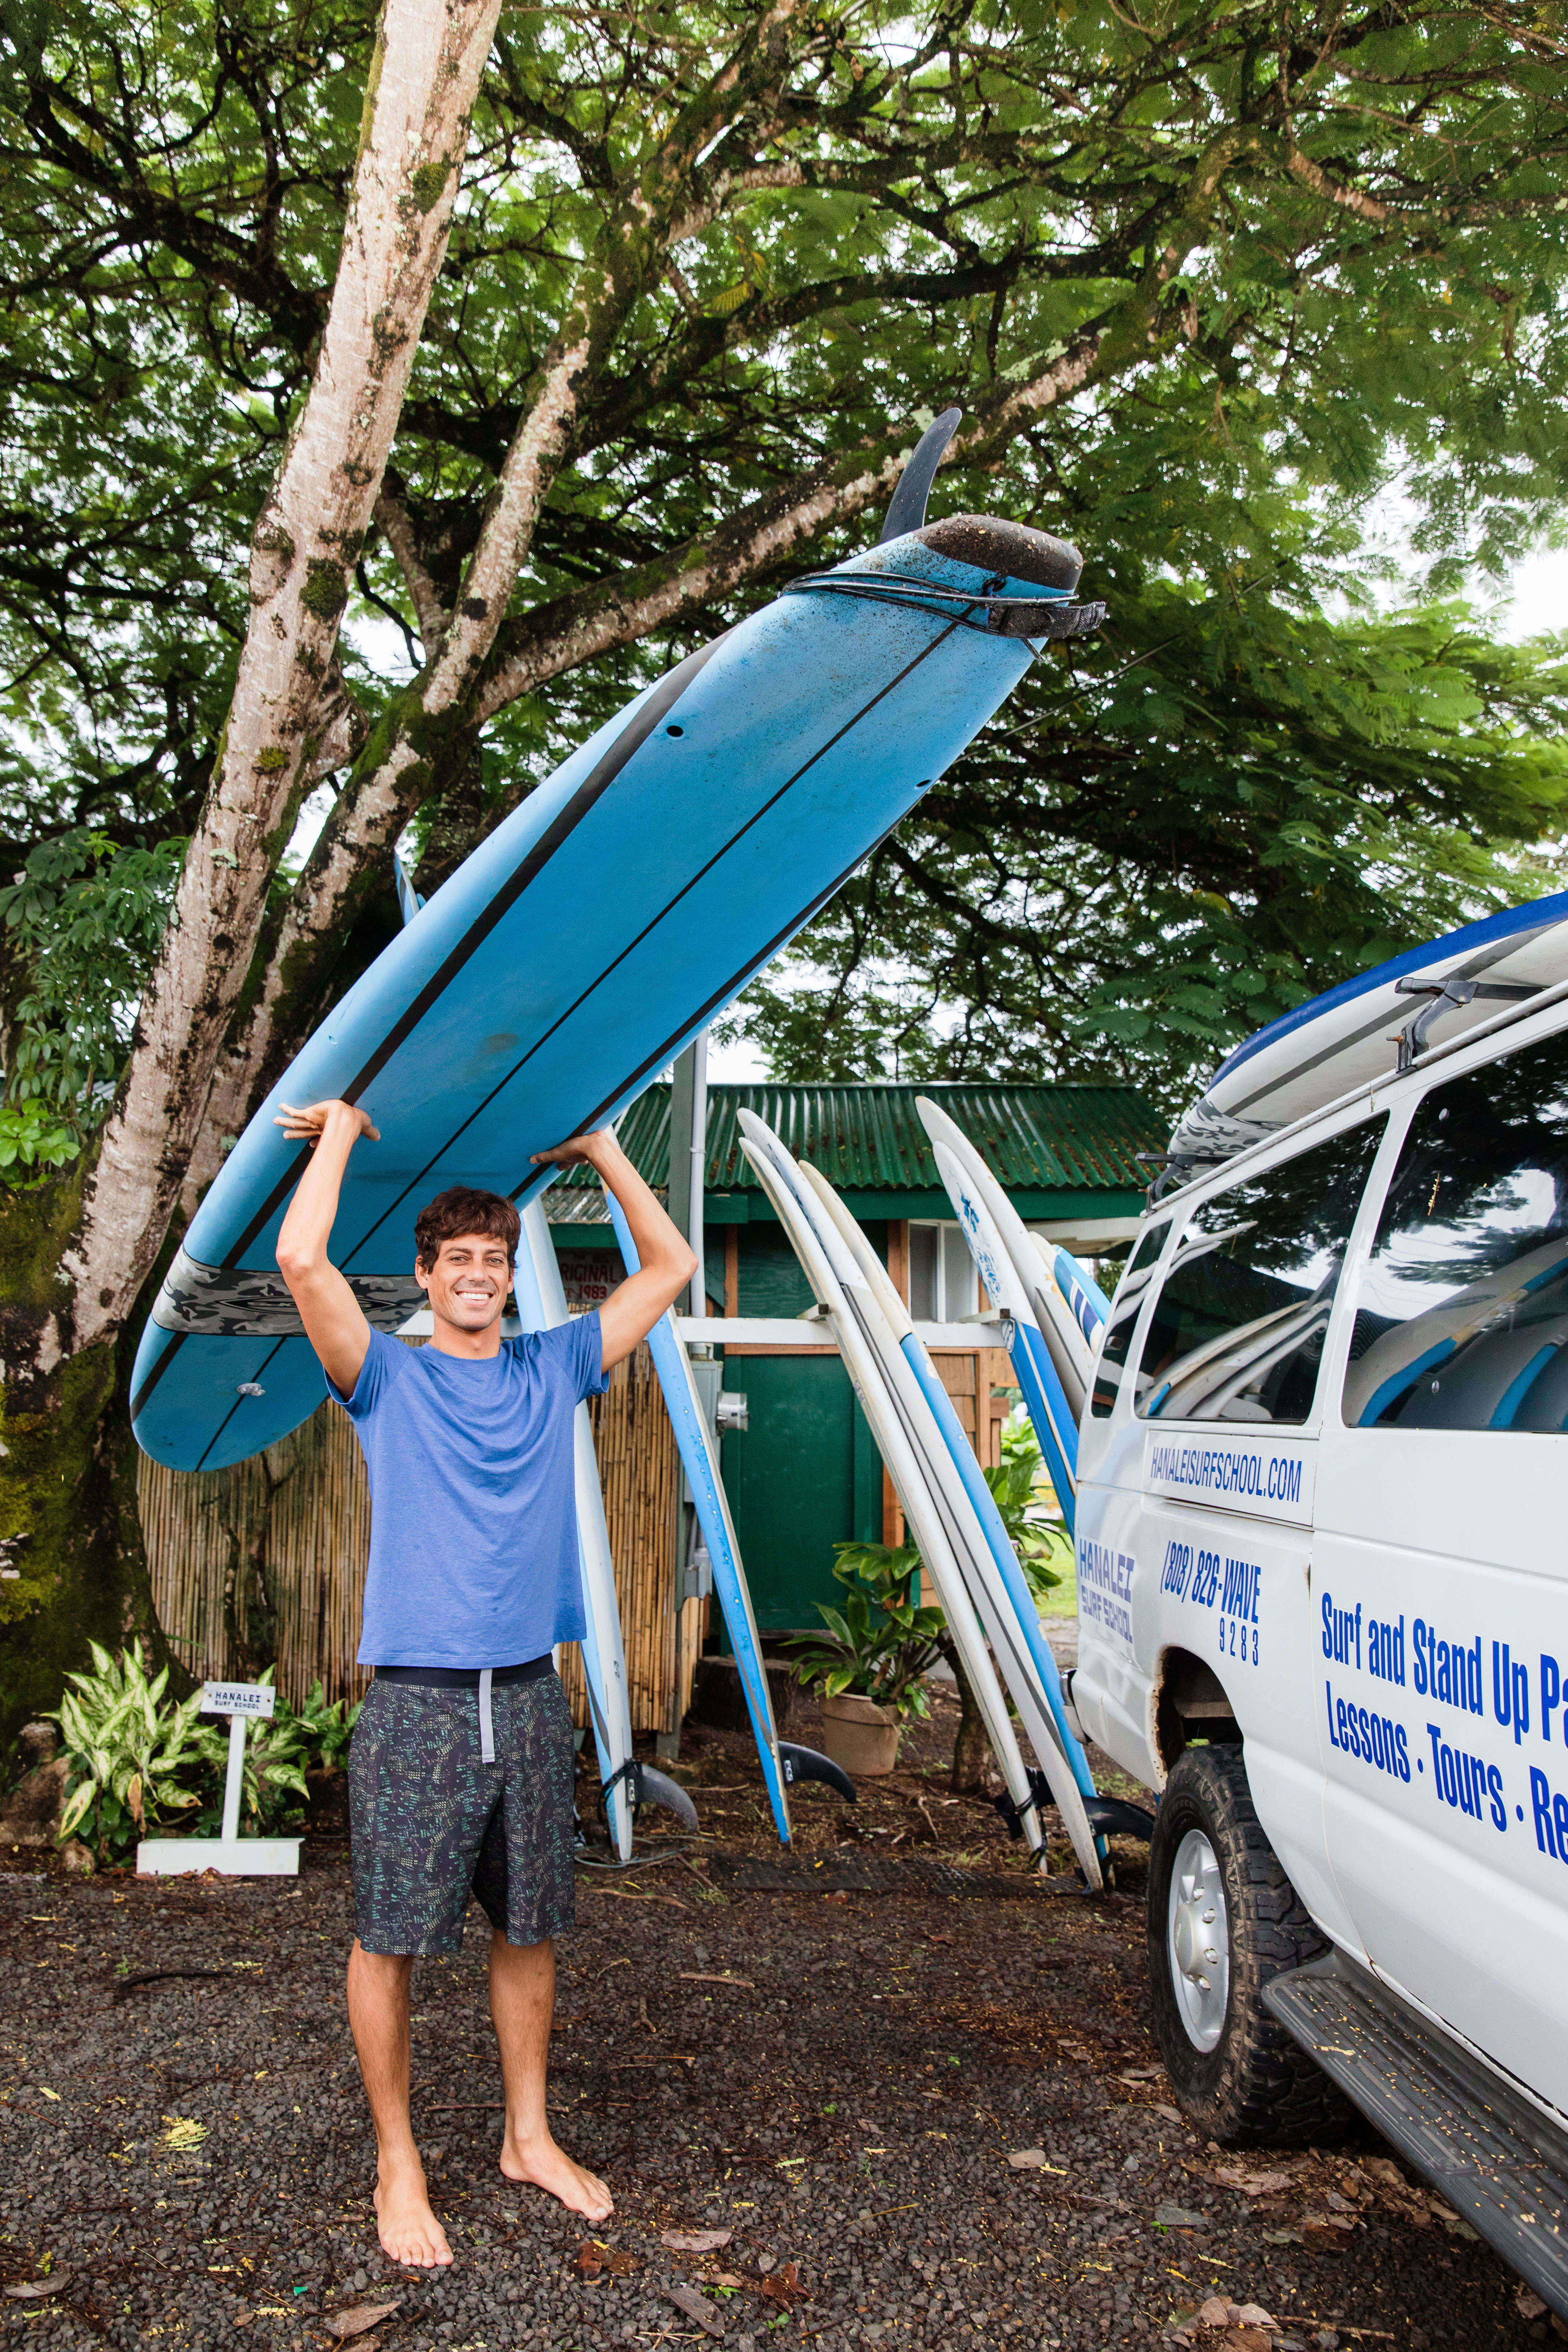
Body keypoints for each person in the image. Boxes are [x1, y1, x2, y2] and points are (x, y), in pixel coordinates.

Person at [273, 1101, 698, 2268]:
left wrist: (605, 1152)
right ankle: (398, 2160)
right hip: (416, 1698)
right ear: (424, 1276)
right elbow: (302, 1259)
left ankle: (527, 2136)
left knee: (532, 1928)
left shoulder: (554, 1366)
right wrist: (350, 1134)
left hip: (525, 1692)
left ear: (512, 1280)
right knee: (389, 1937)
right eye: (456, 1261)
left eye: (494, 1262)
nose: (476, 1276)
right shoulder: (384, 1381)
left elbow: (673, 1264)